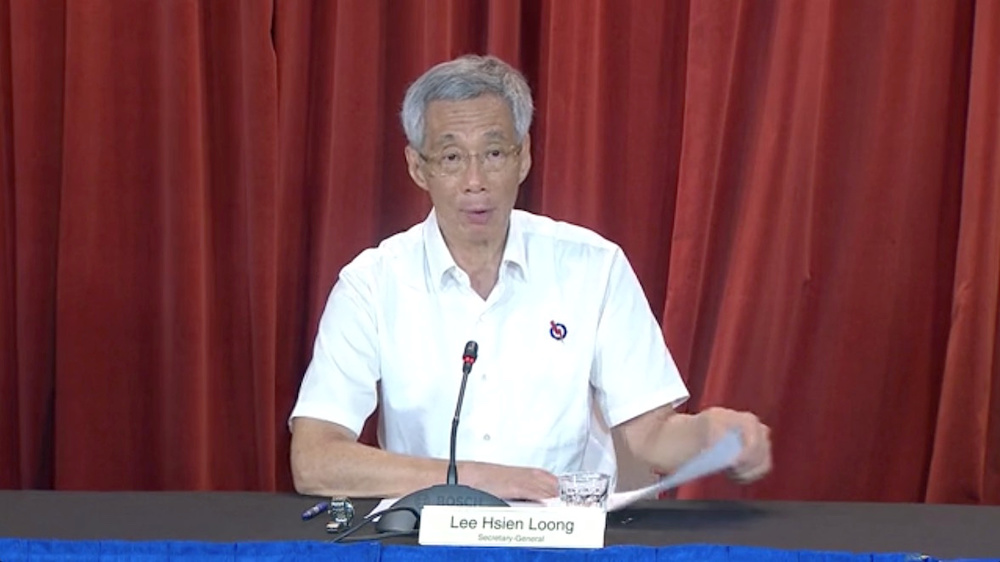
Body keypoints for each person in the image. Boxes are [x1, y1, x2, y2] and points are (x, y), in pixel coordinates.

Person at [289, 54, 771, 501]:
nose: (475, 180)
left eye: (494, 153)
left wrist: (712, 435)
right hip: (428, 542)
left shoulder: (592, 267)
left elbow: (651, 437)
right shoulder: (372, 284)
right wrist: (477, 480)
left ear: (523, 158)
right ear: (419, 168)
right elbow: (314, 460)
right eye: (453, 158)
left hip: (565, 540)